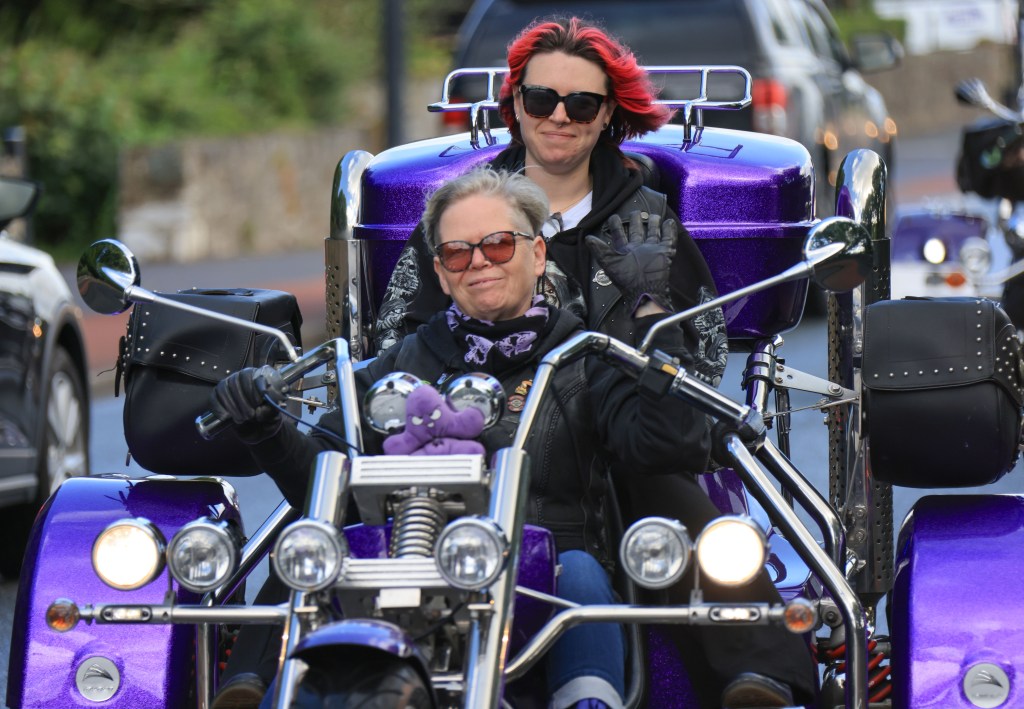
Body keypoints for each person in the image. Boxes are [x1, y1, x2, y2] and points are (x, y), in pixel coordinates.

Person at [371, 16, 815, 709]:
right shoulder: (466, 212)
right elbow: (393, 341)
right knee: (338, 488)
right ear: (516, 104)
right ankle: (259, 668)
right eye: (541, 98)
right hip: (468, 434)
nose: (559, 116)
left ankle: (760, 673)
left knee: (658, 476)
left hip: (613, 429)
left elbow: (700, 361)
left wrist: (645, 308)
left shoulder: (647, 219)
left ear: (609, 114)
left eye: (581, 103)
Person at [211, 168, 710, 709]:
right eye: (457, 253)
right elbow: (326, 483)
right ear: (442, 274)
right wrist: (264, 427)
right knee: (312, 554)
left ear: (537, 254)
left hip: (543, 591)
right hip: (401, 583)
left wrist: (654, 312)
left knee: (584, 574)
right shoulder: (400, 365)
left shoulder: (583, 358)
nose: (478, 262)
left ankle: (587, 698)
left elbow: (669, 446)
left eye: (498, 244)